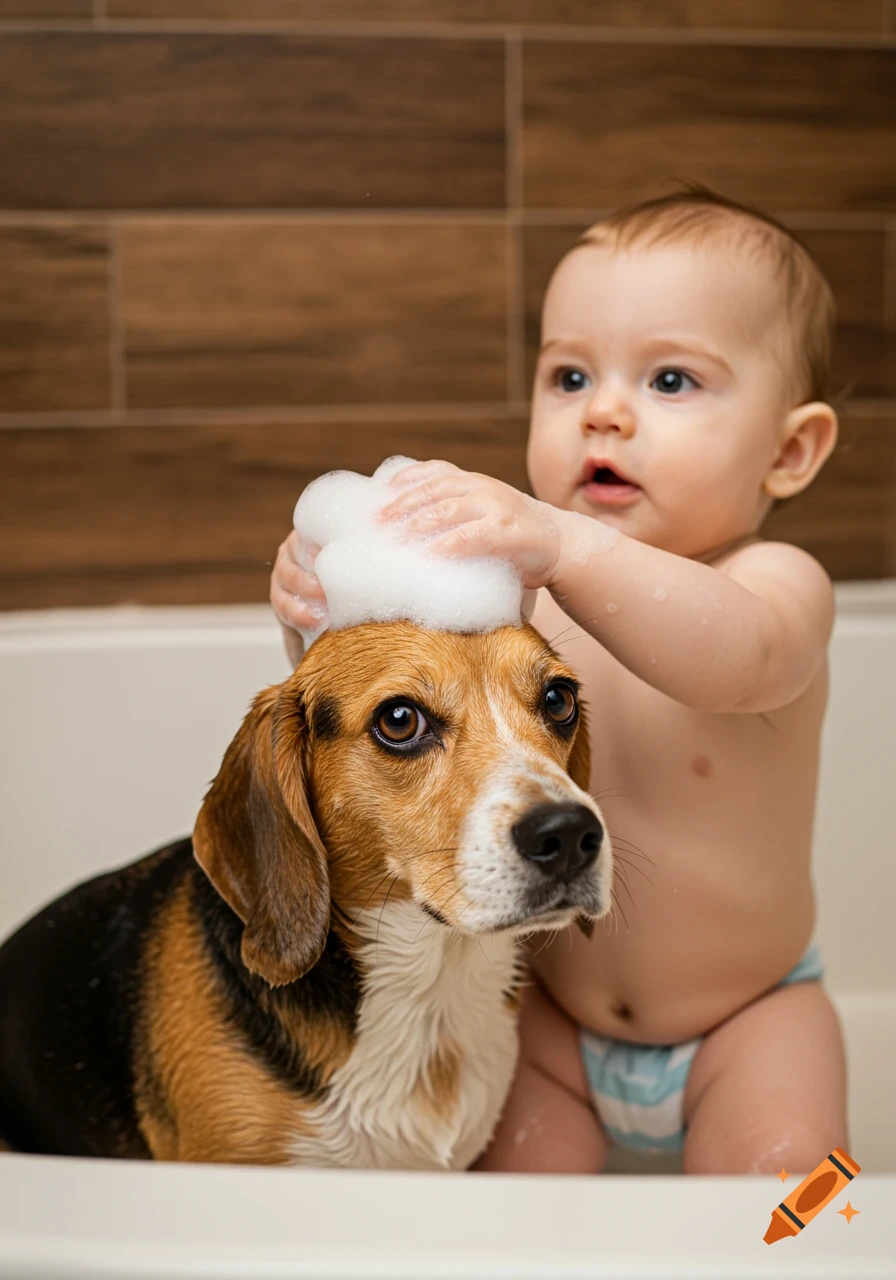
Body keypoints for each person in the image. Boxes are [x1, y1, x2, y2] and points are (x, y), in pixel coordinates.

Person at [270, 187, 848, 1174]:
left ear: (787, 451)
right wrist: (315, 607)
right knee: (509, 1222)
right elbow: (395, 711)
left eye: (670, 380)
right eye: (568, 376)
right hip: (548, 1015)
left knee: (797, 1211)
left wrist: (564, 542)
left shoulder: (773, 587)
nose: (604, 414)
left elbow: (730, 659)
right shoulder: (523, 597)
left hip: (750, 1020)